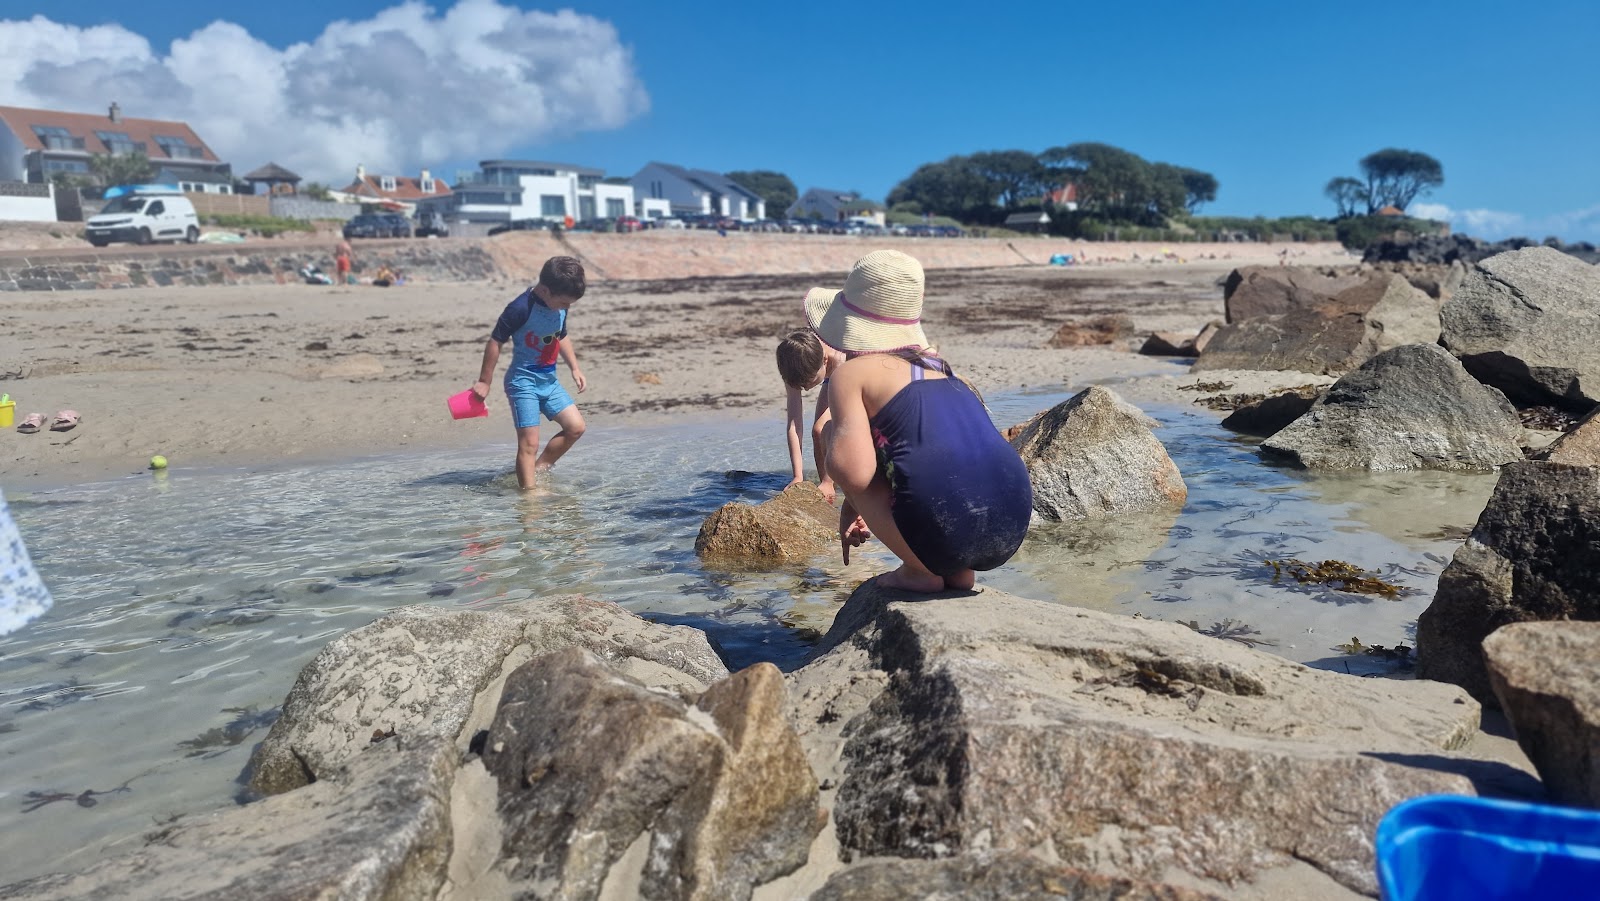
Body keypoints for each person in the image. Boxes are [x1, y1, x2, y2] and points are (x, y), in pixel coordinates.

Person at [808, 250, 1032, 592]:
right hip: (1012, 518)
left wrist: (846, 494)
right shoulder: (938, 366)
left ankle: (920, 570)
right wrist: (852, 507)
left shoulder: (850, 374)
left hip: (946, 521)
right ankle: (957, 572)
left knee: (831, 438)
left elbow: (853, 471)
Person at [469, 256, 588, 489]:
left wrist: (575, 367)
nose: (567, 307)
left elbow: (560, 336)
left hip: (549, 382)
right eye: (564, 303)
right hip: (523, 382)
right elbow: (496, 341)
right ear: (545, 290)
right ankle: (529, 497)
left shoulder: (560, 307)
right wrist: (485, 381)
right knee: (528, 444)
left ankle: (538, 468)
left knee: (576, 428)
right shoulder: (520, 308)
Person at [775, 329, 846, 503]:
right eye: (801, 385)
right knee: (818, 432)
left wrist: (828, 480)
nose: (806, 389)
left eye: (810, 382)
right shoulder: (792, 365)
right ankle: (828, 489)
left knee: (821, 428)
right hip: (826, 371)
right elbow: (794, 423)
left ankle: (830, 483)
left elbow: (841, 420)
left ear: (824, 361)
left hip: (851, 374)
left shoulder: (838, 357)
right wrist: (798, 476)